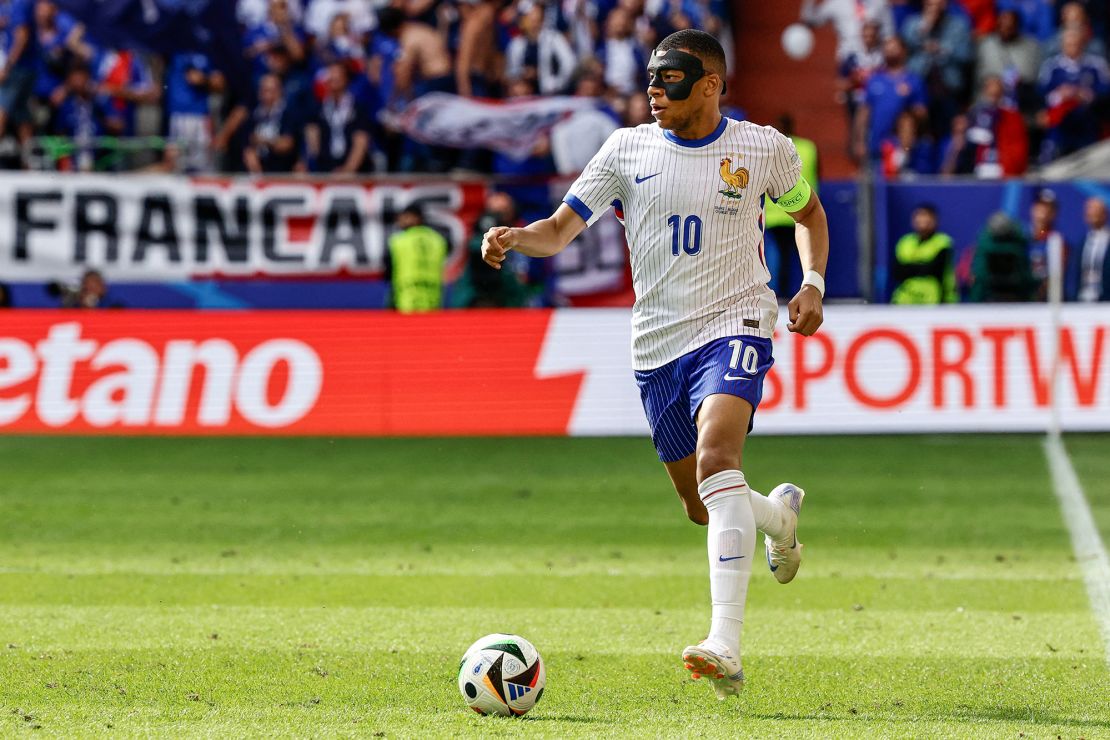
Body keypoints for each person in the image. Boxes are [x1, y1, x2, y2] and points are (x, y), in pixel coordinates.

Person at [482, 29, 829, 699]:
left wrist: (811, 282)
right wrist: (515, 238)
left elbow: (809, 215)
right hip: (657, 344)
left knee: (717, 462)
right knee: (702, 507)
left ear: (710, 85)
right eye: (650, 77)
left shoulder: (761, 149)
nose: (654, 89)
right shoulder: (625, 148)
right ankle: (777, 518)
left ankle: (723, 643)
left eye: (670, 78)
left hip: (738, 321)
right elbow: (559, 230)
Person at [763, 114, 818, 297]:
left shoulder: (770, 148)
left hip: (775, 214)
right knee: (807, 256)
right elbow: (818, 175)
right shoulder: (808, 147)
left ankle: (777, 294)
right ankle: (809, 292)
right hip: (802, 209)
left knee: (777, 257)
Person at [854, 35, 928, 165]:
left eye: (893, 47)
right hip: (875, 147)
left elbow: (922, 113)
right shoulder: (874, 79)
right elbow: (864, 112)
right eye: (886, 48)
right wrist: (859, 141)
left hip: (900, 149)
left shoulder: (913, 81)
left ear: (904, 51)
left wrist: (907, 114)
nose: (889, 51)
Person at [385, 204, 448, 312]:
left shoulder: (398, 240)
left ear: (416, 218)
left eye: (405, 217)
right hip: (433, 297)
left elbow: (388, 270)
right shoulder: (438, 239)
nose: (400, 220)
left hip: (406, 297)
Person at [891, 203, 955, 303]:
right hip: (905, 300)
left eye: (927, 217)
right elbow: (897, 272)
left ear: (934, 220)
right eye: (919, 216)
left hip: (935, 300)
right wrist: (923, 265)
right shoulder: (905, 242)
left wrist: (911, 266)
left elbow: (935, 269)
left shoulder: (943, 242)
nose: (922, 221)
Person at [968, 211, 1035, 302]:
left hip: (1017, 299)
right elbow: (980, 278)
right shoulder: (985, 245)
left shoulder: (1018, 245)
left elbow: (1025, 277)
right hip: (989, 299)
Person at [1078, 196, 1109, 302]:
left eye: (1097, 211)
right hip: (1083, 297)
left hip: (1105, 298)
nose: (1093, 215)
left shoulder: (1107, 240)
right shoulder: (1082, 242)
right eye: (1090, 211)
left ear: (1105, 214)